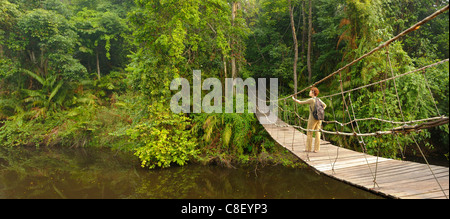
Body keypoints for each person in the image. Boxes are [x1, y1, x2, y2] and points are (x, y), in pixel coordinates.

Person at [292, 87, 326, 153]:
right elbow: (324, 105)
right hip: (319, 118)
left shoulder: (311, 100)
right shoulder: (318, 99)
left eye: (310, 91)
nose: (309, 92)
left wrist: (294, 99)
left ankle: (308, 148)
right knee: (318, 133)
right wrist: (319, 111)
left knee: (309, 132)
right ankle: (316, 149)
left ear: (313, 92)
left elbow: (300, 102)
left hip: (312, 118)